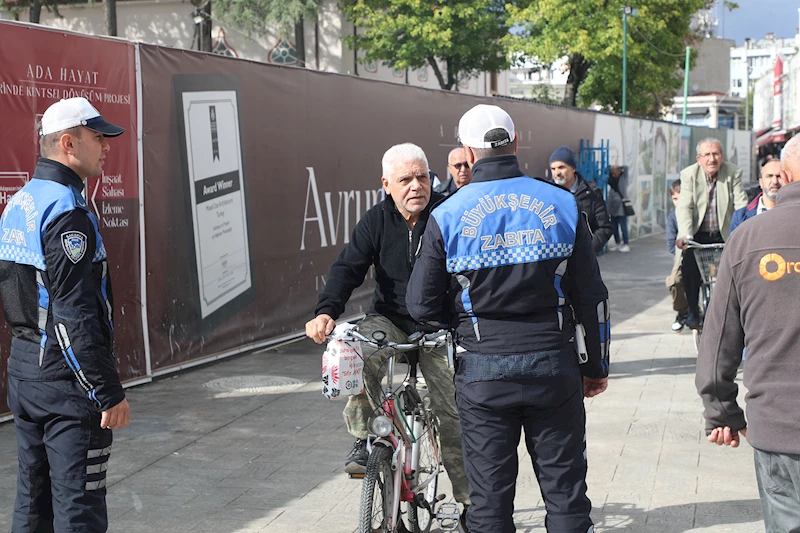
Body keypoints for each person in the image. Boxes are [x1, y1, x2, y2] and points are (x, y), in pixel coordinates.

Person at [407, 104, 610, 533]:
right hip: (554, 367)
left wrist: (461, 325)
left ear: (467, 150)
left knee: (489, 503)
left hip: (482, 372)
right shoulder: (564, 204)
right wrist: (595, 367)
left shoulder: (446, 215)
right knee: (567, 495)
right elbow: (591, 296)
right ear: (516, 143)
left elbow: (421, 306)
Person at [304, 143, 471, 516]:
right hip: (390, 321)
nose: (416, 186)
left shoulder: (448, 213)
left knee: (453, 414)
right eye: (405, 179)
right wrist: (325, 312)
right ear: (386, 184)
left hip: (439, 327)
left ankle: (471, 505)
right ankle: (366, 440)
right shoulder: (375, 221)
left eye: (422, 177)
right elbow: (348, 268)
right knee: (355, 355)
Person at [0, 97, 130, 533]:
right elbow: (74, 316)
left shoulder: (20, 202)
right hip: (65, 386)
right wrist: (106, 390)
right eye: (99, 137)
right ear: (69, 143)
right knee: (79, 511)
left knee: (32, 506)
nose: (107, 147)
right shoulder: (67, 212)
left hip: (25, 374)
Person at [696, 135, 800, 533]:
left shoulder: (748, 239)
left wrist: (721, 410)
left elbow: (719, 335)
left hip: (778, 424)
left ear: (784, 176)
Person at [675, 138, 747, 329]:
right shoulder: (689, 174)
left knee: (736, 273)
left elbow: (741, 204)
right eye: (706, 154)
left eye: (715, 154)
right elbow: (685, 207)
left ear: (722, 156)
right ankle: (693, 311)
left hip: (725, 235)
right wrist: (685, 234)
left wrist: (744, 230)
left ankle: (733, 314)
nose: (711, 159)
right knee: (688, 270)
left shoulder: (733, 173)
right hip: (696, 235)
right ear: (699, 158)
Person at [549, 145, 613, 253]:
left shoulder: (591, 193)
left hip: (582, 262)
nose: (557, 173)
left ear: (573, 168)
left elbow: (604, 228)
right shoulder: (547, 193)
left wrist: (586, 252)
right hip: (554, 261)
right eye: (553, 168)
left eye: (561, 167)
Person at [729, 159, 782, 234]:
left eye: (779, 176)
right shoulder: (740, 217)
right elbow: (734, 244)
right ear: (761, 182)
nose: (775, 181)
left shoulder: (795, 213)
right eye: (769, 176)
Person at [665, 180, 689, 332]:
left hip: (702, 253)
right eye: (675, 199)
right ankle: (682, 312)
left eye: (681, 198)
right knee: (674, 281)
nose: (678, 202)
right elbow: (670, 243)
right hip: (682, 255)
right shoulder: (672, 217)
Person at [606, 165, 631, 252]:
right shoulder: (611, 179)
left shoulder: (623, 177)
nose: (613, 173)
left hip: (621, 206)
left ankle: (626, 243)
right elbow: (607, 169)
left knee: (623, 226)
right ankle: (617, 243)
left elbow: (626, 168)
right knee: (614, 226)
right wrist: (611, 168)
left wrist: (619, 167)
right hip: (613, 206)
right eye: (612, 172)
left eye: (615, 171)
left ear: (619, 171)